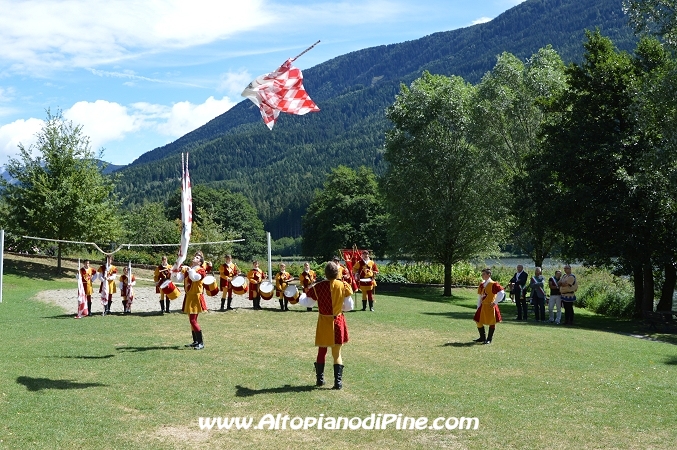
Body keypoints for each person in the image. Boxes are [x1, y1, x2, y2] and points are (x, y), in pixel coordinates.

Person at [306, 261, 353, 390]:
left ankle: (320, 379)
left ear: (325, 273)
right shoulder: (343, 285)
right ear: (337, 272)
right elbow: (349, 307)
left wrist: (301, 296)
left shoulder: (318, 287)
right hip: (337, 321)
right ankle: (338, 383)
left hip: (323, 322)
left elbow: (307, 303)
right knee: (337, 353)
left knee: (322, 351)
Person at [182, 253, 208, 350]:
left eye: (197, 257)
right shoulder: (190, 269)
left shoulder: (201, 270)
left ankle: (201, 343)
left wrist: (189, 270)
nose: (194, 257)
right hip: (189, 295)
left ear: (200, 262)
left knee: (193, 320)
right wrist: (176, 271)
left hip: (196, 296)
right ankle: (196, 341)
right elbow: (179, 278)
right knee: (191, 320)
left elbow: (194, 278)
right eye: (195, 256)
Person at [473, 268, 505, 344]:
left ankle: (489, 339)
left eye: (484, 274)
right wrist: (478, 306)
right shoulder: (482, 284)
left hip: (491, 306)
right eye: (482, 274)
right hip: (483, 305)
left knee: (492, 322)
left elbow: (501, 292)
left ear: (489, 274)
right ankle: (482, 337)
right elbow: (480, 297)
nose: (482, 275)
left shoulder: (493, 284)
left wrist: (496, 302)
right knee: (478, 321)